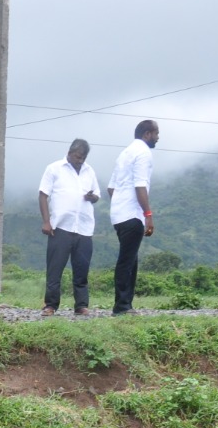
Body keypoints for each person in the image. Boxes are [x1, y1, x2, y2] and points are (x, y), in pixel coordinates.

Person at [37, 138, 99, 316]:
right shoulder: (54, 168)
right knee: (55, 269)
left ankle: (81, 305)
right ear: (70, 153)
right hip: (60, 227)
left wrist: (91, 197)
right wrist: (46, 221)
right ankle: (50, 305)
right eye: (77, 156)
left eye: (83, 157)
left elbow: (97, 196)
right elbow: (43, 195)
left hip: (84, 228)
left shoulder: (89, 171)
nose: (80, 160)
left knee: (81, 269)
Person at [108, 120, 159, 315]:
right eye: (156, 133)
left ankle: (126, 304)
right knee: (127, 261)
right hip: (132, 214)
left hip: (119, 214)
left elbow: (111, 188)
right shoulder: (144, 153)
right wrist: (148, 215)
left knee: (131, 260)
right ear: (147, 134)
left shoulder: (125, 153)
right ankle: (121, 306)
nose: (158, 137)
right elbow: (140, 186)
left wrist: (121, 201)